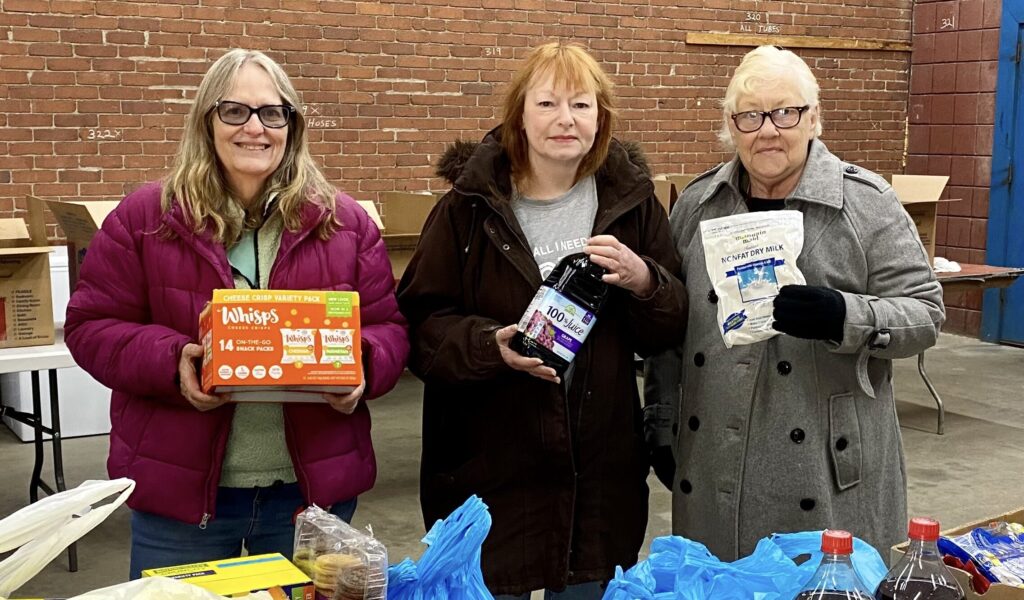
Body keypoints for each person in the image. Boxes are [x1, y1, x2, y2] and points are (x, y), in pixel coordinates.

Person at [64, 49, 409, 578]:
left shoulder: (343, 223)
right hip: (181, 498)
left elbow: (389, 328)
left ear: (292, 125)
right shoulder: (146, 218)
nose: (255, 128)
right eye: (234, 111)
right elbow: (90, 326)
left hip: (310, 496)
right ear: (207, 120)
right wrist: (173, 362)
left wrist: (361, 363)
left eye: (272, 113)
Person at [396, 42, 687, 598]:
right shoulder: (468, 207)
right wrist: (490, 345)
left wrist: (645, 281)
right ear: (520, 116)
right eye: (548, 103)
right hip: (490, 472)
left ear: (600, 118)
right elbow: (420, 323)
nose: (565, 119)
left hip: (597, 477)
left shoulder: (632, 205)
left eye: (581, 105)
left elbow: (669, 328)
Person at [644, 45, 945, 561]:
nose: (767, 130)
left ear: (813, 118)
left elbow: (926, 314)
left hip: (826, 471)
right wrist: (660, 420)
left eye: (785, 112)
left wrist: (845, 315)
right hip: (714, 460)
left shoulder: (865, 204)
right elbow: (670, 327)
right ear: (731, 125)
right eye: (750, 116)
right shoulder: (698, 205)